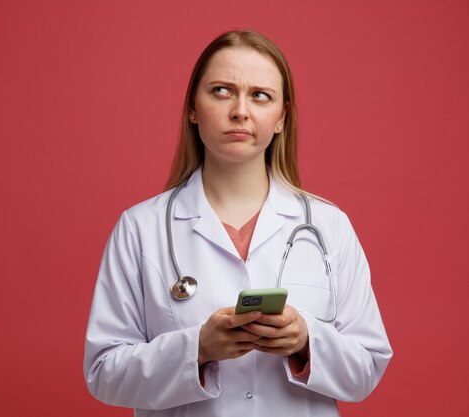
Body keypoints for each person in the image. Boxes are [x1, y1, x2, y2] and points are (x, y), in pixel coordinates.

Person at [83, 30, 392, 416]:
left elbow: (367, 369)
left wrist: (306, 341)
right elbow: (103, 373)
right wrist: (197, 348)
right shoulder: (139, 228)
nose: (240, 111)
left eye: (260, 95)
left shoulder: (331, 227)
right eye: (221, 91)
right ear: (193, 108)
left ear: (281, 118)